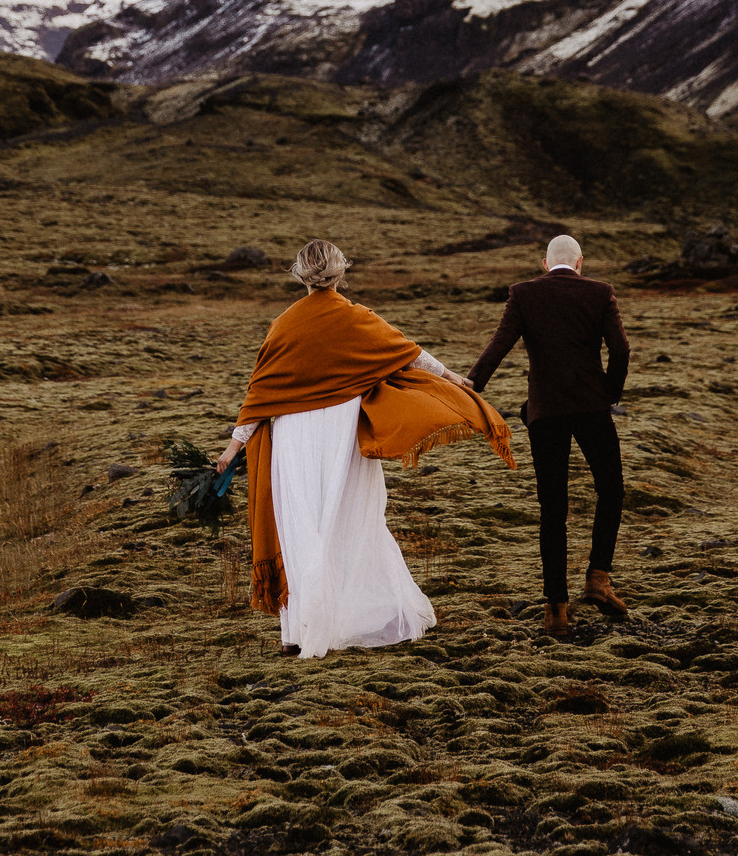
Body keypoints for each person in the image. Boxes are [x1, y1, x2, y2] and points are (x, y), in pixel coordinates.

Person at [215, 239, 514, 657]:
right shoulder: (357, 318)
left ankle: (303, 628)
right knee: (349, 520)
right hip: (341, 437)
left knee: (302, 525)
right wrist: (453, 378)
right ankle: (350, 618)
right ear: (340, 273)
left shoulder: (284, 325)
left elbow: (259, 395)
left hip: (294, 439)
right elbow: (409, 354)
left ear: (301, 275)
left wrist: (232, 450)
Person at [468, 233, 631, 638]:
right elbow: (621, 349)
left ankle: (555, 610)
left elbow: (499, 345)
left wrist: (471, 385)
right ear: (580, 262)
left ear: (545, 263)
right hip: (592, 409)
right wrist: (608, 394)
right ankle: (597, 578)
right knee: (611, 490)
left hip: (545, 415)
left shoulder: (522, 294)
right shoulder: (600, 292)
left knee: (552, 509)